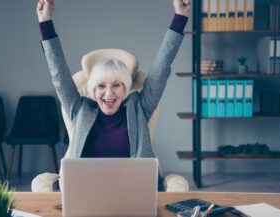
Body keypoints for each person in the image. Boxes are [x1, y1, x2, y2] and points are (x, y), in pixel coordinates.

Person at [37, 0, 190, 192]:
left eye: (116, 85)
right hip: (86, 191)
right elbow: (58, 72)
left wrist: (180, 17)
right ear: (93, 89)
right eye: (101, 86)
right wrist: (45, 20)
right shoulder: (80, 109)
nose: (109, 93)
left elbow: (162, 67)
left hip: (134, 190)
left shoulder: (139, 107)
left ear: (125, 88)